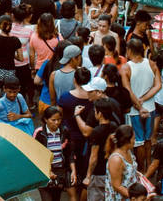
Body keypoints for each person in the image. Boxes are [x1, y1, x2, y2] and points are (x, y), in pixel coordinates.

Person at [121, 38, 161, 166]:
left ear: (129, 50)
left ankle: (141, 169)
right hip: (150, 108)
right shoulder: (151, 64)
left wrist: (139, 106)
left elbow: (127, 90)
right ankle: (148, 165)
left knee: (139, 141)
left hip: (134, 111)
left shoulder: (126, 68)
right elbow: (158, 85)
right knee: (148, 139)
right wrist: (144, 100)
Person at [60, 67, 94, 201]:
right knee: (85, 167)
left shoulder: (65, 97)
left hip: (70, 139)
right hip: (87, 140)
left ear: (74, 80)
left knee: (71, 166)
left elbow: (59, 116)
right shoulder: (92, 99)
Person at [82, 97, 118, 201]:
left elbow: (94, 156)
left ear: (100, 114)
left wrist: (88, 176)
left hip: (98, 172)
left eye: (95, 111)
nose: (94, 113)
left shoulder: (96, 132)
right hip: (111, 170)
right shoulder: (114, 126)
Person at [35, 106, 74, 201]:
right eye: (53, 120)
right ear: (46, 119)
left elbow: (70, 153)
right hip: (44, 172)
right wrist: (48, 171)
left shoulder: (64, 131)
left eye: (59, 119)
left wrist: (73, 171)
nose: (57, 122)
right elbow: (36, 155)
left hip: (59, 172)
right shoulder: (39, 133)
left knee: (56, 198)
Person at [0, 15, 21, 99]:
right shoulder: (16, 40)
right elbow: (21, 58)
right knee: (6, 97)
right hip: (10, 72)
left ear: (0, 26)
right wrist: (11, 54)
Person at [105, 125, 138, 201]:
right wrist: (135, 198)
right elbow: (117, 186)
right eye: (133, 138)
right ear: (127, 141)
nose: (134, 141)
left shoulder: (128, 151)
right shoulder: (116, 160)